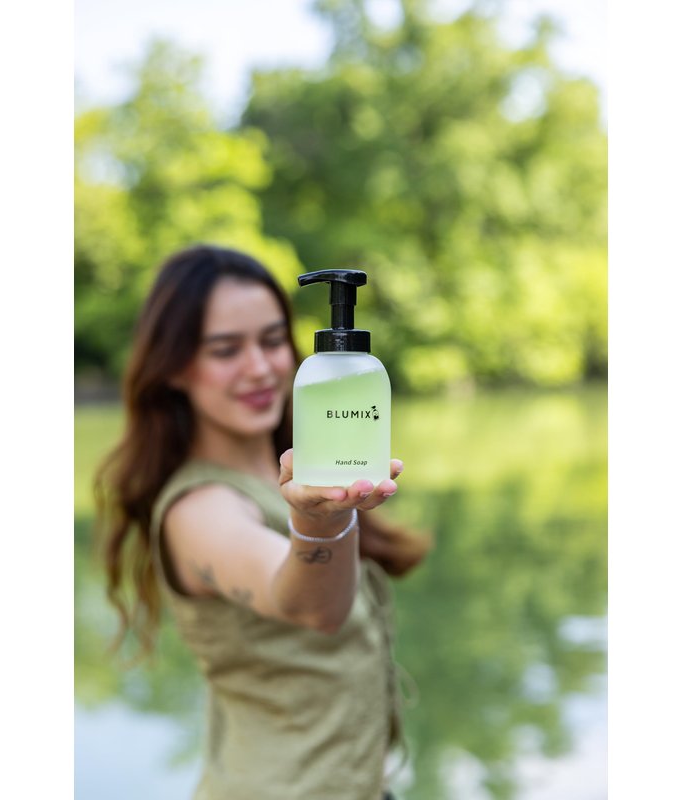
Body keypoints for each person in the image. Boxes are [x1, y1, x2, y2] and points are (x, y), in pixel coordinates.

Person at [95, 244, 432, 800]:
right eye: (226, 349)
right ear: (173, 366)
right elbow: (310, 606)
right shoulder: (199, 510)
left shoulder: (306, 464)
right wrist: (319, 523)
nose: (259, 367)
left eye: (272, 340)